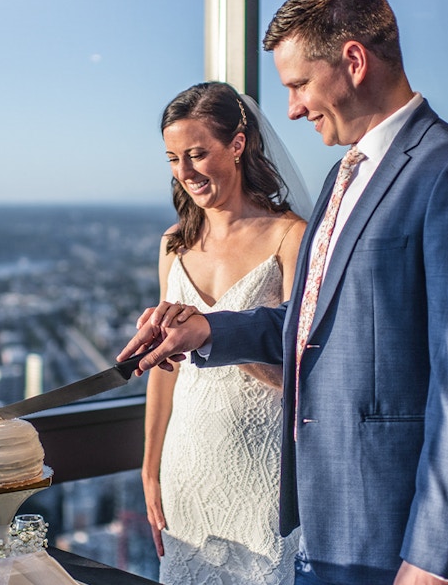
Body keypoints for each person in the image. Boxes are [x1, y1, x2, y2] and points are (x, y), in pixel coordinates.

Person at [119, 0, 448, 585]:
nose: (291, 108)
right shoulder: (347, 174)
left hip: (400, 538)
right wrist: (207, 329)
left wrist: (431, 556)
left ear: (354, 61)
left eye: (299, 85)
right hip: (325, 525)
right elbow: (311, 326)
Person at [144, 81, 309, 585]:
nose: (185, 172)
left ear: (238, 144)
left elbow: (306, 370)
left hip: (263, 467)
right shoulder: (174, 244)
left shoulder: (289, 235)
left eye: (197, 154)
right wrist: (150, 470)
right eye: (174, 158)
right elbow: (163, 370)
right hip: (186, 465)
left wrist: (216, 338)